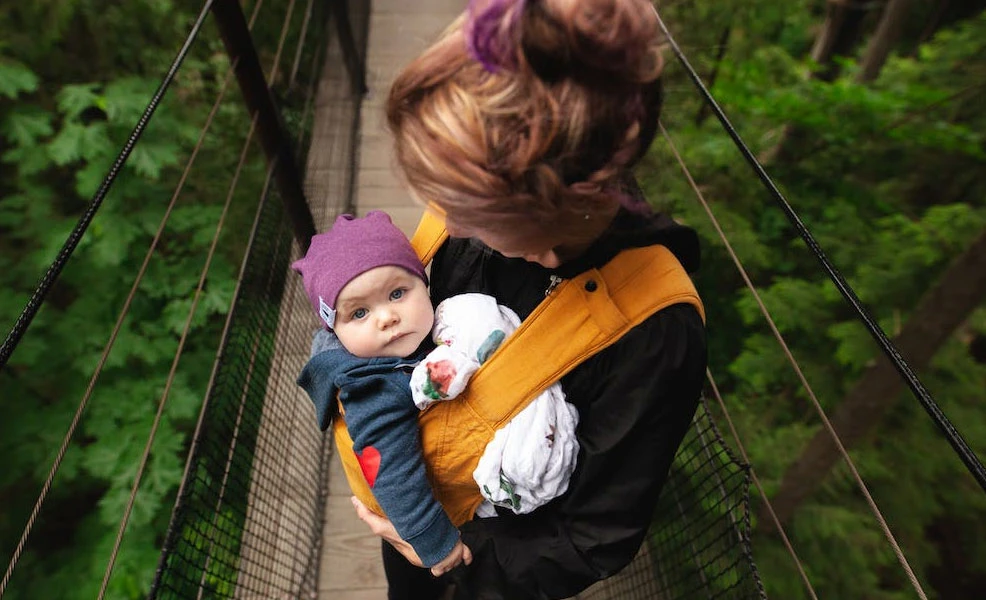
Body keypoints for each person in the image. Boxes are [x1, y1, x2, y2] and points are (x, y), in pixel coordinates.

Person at [349, 0, 708, 599]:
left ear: (550, 209)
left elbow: (594, 537)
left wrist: (447, 556)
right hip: (413, 517)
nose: (446, 224)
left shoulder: (654, 333)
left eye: (465, 211)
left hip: (489, 573)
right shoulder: (479, 218)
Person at [292, 210, 470, 577]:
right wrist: (435, 542)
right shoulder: (372, 386)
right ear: (334, 331)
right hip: (422, 522)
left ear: (424, 285)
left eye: (397, 293)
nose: (386, 317)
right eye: (359, 313)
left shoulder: (413, 341)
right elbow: (390, 468)